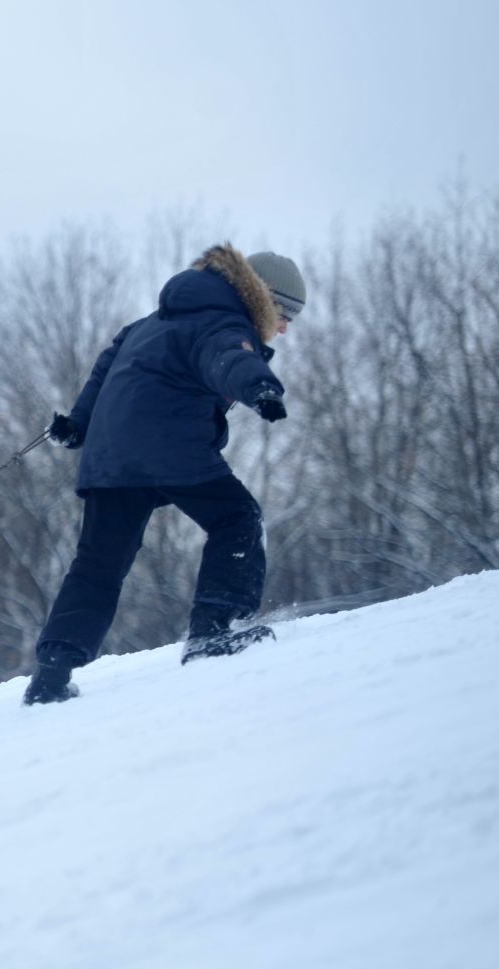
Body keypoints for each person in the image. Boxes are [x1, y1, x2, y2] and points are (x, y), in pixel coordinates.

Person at [24, 246, 306, 705]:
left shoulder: (151, 323)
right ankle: (216, 631)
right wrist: (261, 387)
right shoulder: (223, 322)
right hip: (171, 445)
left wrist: (79, 424)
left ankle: (51, 674)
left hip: (111, 455)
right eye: (284, 314)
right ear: (261, 298)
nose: (285, 328)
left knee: (99, 563)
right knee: (237, 519)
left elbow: (107, 365)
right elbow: (230, 359)